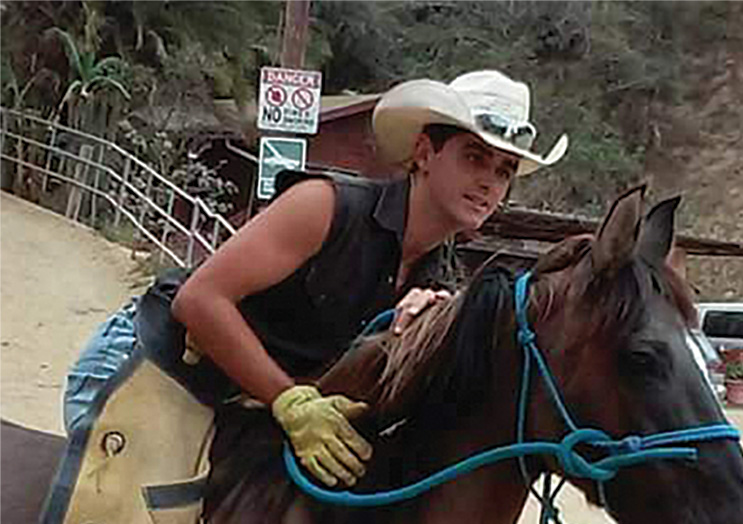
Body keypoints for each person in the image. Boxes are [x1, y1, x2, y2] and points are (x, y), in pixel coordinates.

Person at [62, 69, 568, 487]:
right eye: (474, 157)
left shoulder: (438, 280)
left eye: (503, 170)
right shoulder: (326, 206)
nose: (488, 181)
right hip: (150, 368)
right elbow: (200, 299)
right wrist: (290, 402)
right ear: (424, 153)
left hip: (238, 407)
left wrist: (402, 343)